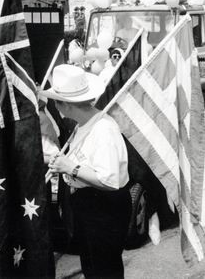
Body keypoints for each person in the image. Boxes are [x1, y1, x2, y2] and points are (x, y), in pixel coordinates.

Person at [43, 64, 131, 278]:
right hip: (88, 205)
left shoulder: (103, 129)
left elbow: (109, 181)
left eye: (57, 101)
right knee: (92, 268)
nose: (55, 106)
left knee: (104, 271)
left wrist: (70, 167)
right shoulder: (85, 124)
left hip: (103, 207)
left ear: (67, 105)